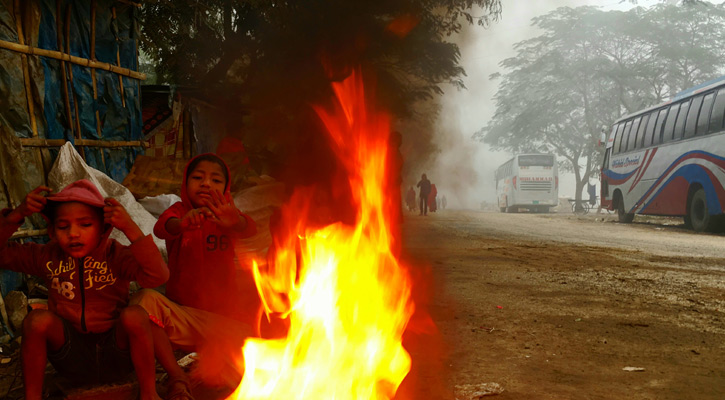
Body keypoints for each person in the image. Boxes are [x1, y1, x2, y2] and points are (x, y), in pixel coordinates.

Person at [0, 180, 170, 400]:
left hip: (116, 353)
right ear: (52, 230)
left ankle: (149, 394)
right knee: (36, 321)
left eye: (85, 224)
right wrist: (15, 216)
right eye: (63, 226)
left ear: (103, 228)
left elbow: (159, 275)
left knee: (136, 315)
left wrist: (130, 227)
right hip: (71, 357)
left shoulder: (115, 255)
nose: (73, 233)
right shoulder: (46, 256)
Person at [130, 153, 258, 390]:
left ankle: (211, 370)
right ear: (185, 184)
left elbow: (250, 228)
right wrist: (182, 224)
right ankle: (177, 375)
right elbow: (161, 228)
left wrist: (234, 221)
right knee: (144, 301)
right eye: (198, 177)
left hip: (219, 322)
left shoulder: (228, 214)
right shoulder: (178, 211)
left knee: (255, 342)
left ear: (227, 187)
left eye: (216, 180)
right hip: (183, 316)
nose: (206, 184)